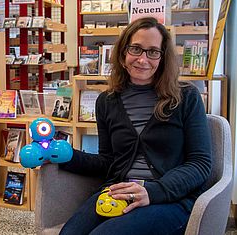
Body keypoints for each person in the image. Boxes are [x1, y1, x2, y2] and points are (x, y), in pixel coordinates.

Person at [58, 17, 211, 235]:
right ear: (122, 54)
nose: (142, 59)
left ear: (163, 58)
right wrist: (65, 155)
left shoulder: (187, 97)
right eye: (136, 49)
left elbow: (200, 163)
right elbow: (108, 161)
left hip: (171, 199)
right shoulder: (107, 102)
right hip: (118, 191)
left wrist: (153, 191)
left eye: (153, 52)